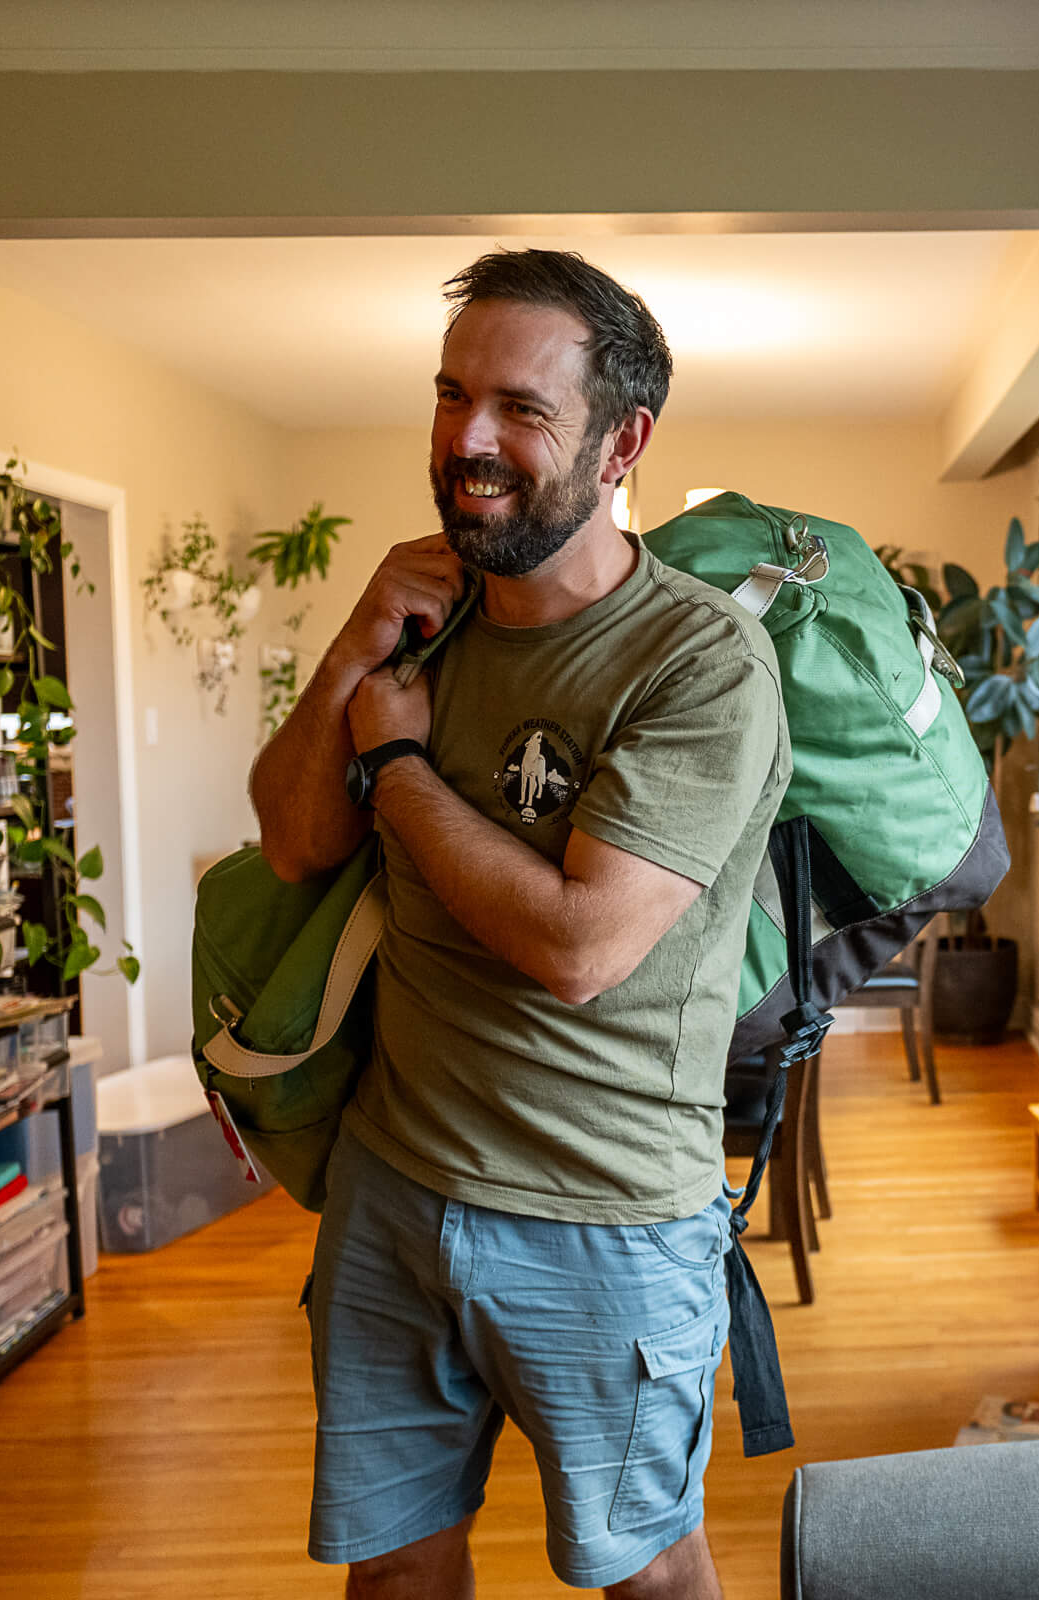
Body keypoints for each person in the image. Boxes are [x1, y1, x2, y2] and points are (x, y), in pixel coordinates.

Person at [249, 249, 790, 1600]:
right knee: (396, 1571)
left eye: (520, 409)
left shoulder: (699, 661)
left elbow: (581, 947)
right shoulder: (422, 621)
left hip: (604, 1215)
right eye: (451, 397)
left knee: (649, 1576)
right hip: (392, 1185)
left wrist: (402, 773)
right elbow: (291, 837)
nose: (468, 441)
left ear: (624, 442)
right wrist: (361, 636)